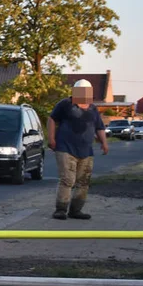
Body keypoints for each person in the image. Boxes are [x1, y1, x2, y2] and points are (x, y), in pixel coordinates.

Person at [48, 79, 108, 220]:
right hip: (65, 148)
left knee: (83, 181)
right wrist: (51, 139)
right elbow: (52, 119)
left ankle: (76, 210)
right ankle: (61, 209)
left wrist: (104, 143)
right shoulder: (65, 105)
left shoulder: (93, 109)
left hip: (86, 151)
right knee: (67, 180)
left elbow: (99, 127)